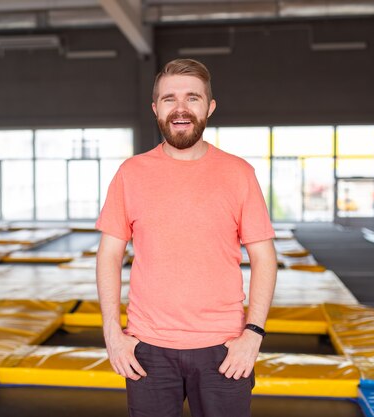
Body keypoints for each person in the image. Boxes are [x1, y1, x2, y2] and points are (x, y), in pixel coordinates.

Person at [95, 58, 278, 417]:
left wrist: (253, 333)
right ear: (155, 108)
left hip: (224, 349)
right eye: (169, 99)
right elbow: (109, 255)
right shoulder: (131, 173)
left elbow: (264, 257)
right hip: (148, 350)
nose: (181, 108)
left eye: (192, 98)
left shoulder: (239, 173)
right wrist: (112, 334)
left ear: (209, 107)